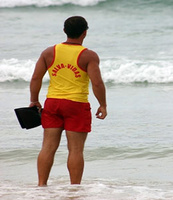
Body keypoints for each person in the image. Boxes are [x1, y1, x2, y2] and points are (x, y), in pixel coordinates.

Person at [29, 16, 107, 186]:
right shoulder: (88, 55)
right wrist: (103, 104)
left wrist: (34, 100)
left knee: (48, 147)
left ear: (64, 31)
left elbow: (36, 77)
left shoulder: (49, 52)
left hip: (53, 103)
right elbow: (97, 83)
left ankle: (41, 185)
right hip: (76, 104)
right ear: (85, 32)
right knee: (76, 150)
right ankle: (74, 188)